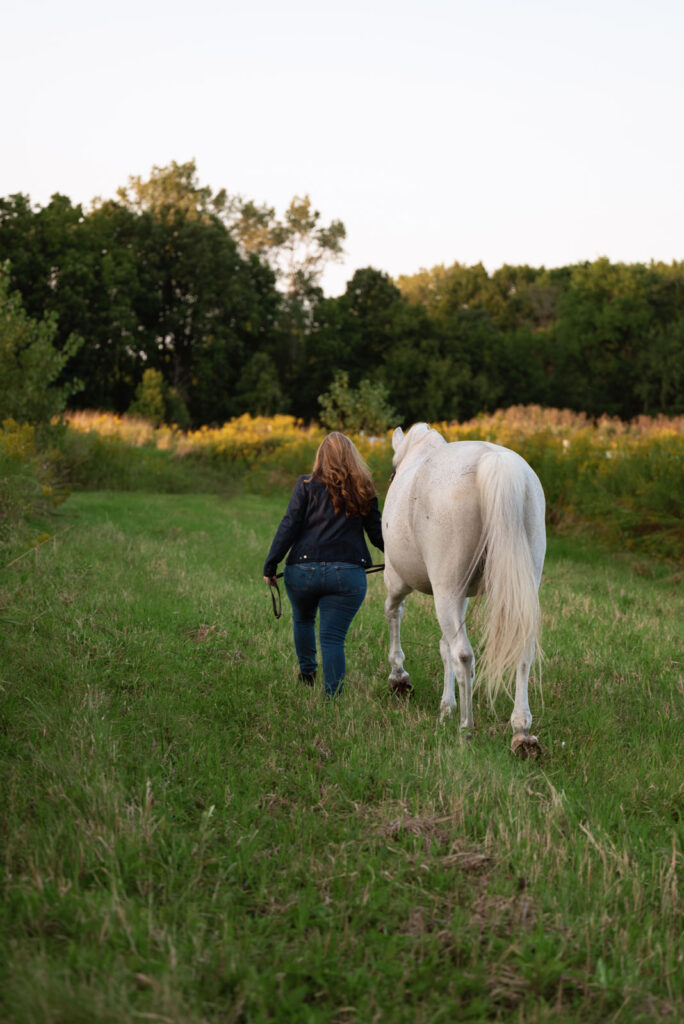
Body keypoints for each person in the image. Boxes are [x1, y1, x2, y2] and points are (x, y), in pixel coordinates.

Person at [263, 432, 384, 697]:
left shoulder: (305, 484)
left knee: (303, 620)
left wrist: (271, 565)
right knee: (332, 638)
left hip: (303, 571)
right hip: (348, 574)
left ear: (321, 455)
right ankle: (333, 697)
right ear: (352, 456)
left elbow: (289, 525)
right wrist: (401, 557)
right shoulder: (364, 487)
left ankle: (307, 674)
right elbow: (378, 535)